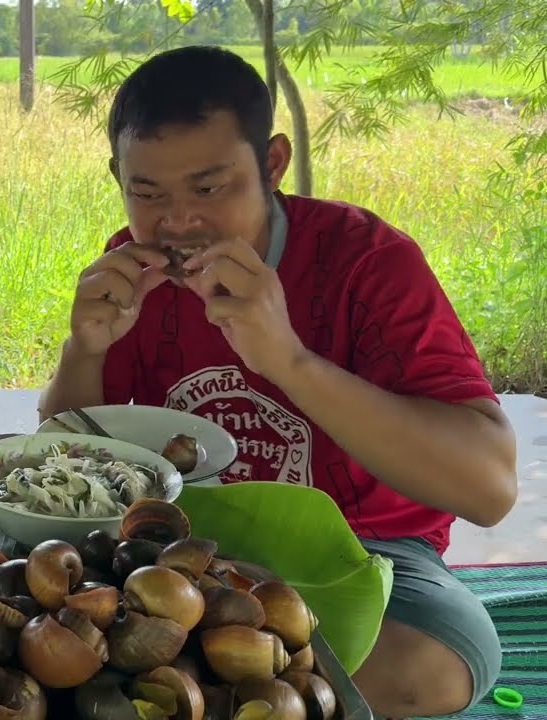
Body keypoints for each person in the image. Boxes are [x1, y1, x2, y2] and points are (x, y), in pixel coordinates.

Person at [38, 45, 518, 718]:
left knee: (433, 667)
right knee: (32, 623)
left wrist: (290, 362)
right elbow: (60, 461)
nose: (177, 223)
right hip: (180, 547)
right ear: (118, 175)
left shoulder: (369, 264)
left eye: (208, 189)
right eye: (147, 194)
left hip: (361, 554)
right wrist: (83, 351)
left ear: (272, 163)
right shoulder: (129, 270)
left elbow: (489, 489)